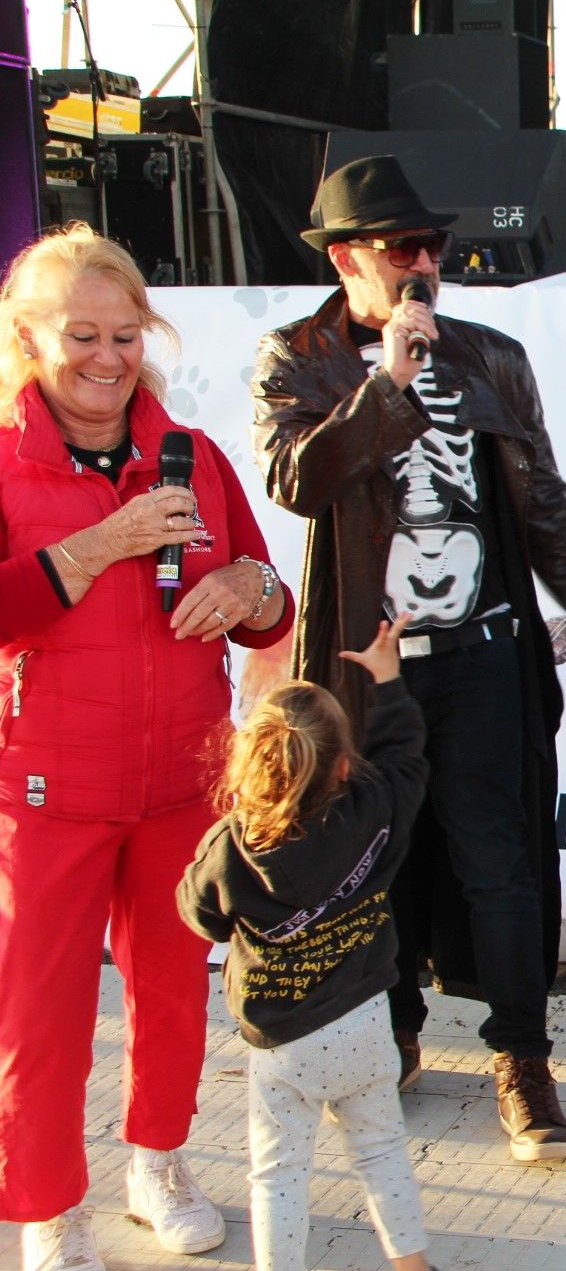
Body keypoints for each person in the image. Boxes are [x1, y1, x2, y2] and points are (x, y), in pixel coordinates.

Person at [251, 155, 566, 1164]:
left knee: (502, 862)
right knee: (370, 858)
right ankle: (390, 1030)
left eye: (432, 245)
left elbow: (547, 507)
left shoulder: (491, 357)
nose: (425, 262)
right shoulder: (299, 357)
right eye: (402, 248)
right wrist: (386, 381)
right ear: (347, 258)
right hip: (368, 664)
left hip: (482, 652)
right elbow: (297, 481)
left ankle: (522, 1055)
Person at [0, 223, 292, 1267]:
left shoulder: (192, 456)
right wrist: (93, 545)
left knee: (173, 990)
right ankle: (46, 1205)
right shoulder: (3, 460)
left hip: (182, 778)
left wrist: (246, 588)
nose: (107, 356)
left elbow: (269, 601)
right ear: (30, 339)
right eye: (81, 332)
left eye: (126, 333)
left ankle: (158, 1160)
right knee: (43, 1015)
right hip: (46, 787)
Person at [178, 618, 435, 1271]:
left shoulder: (230, 846)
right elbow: (407, 755)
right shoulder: (374, 806)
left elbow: (198, 915)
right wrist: (388, 678)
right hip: (366, 1026)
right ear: (344, 764)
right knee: (380, 1149)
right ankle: (410, 1263)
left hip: (282, 1041)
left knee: (278, 1170)